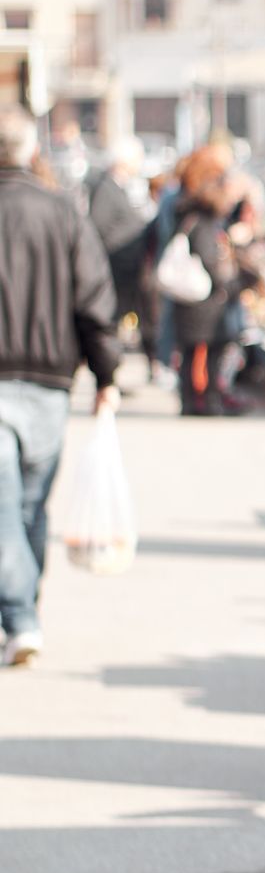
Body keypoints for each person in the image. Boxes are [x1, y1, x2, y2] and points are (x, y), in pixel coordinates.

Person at [0, 106, 121, 667]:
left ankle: (20, 613)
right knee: (26, 504)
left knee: (12, 507)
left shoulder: (63, 211)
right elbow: (93, 298)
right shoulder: (62, 212)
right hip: (48, 379)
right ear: (30, 151)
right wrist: (107, 373)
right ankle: (24, 613)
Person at [172, 145, 243, 416]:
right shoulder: (202, 223)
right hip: (204, 298)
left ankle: (196, 399)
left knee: (193, 352)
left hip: (195, 298)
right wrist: (228, 284)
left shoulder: (188, 216)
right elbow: (209, 259)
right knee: (207, 351)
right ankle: (205, 399)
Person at [87, 138, 150, 338]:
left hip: (124, 266)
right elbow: (98, 227)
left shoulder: (118, 187)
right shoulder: (107, 188)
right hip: (115, 266)